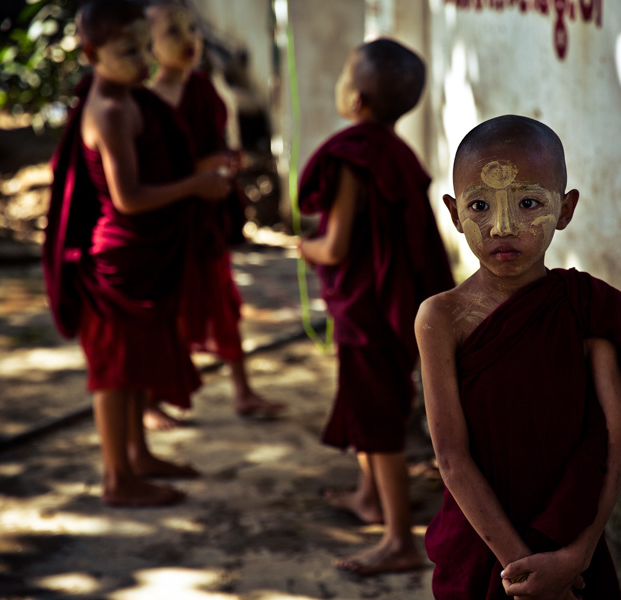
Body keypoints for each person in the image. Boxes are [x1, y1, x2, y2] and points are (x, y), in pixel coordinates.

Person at [414, 115, 621, 599]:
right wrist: (522, 571)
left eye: (529, 203)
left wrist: (575, 557)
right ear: (455, 213)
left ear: (565, 209)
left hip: (567, 538)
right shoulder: (442, 318)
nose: (503, 227)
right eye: (479, 205)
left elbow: (613, 444)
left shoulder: (587, 309)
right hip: (483, 543)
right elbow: (451, 457)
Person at [42, 0, 231, 507]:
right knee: (112, 374)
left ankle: (139, 455)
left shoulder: (129, 98)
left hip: (143, 256)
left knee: (131, 370)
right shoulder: (108, 111)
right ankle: (116, 477)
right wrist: (196, 184)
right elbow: (128, 198)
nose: (143, 59)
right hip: (116, 263)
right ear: (90, 52)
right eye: (127, 50)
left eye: (144, 46)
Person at [297, 38, 455, 575]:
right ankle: (368, 497)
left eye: (345, 75)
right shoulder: (398, 152)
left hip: (369, 312)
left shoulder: (352, 158)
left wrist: (305, 247)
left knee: (379, 421)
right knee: (371, 405)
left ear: (358, 100)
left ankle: (397, 541)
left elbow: (336, 246)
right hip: (396, 304)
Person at [143, 0, 285, 430]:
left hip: (205, 219)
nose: (189, 41)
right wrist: (206, 168)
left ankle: (243, 391)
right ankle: (151, 399)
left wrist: (228, 160)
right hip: (167, 221)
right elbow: (153, 170)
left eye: (193, 30)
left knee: (224, 304)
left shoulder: (204, 88)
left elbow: (214, 144)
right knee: (166, 311)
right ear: (147, 47)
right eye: (172, 32)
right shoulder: (146, 102)